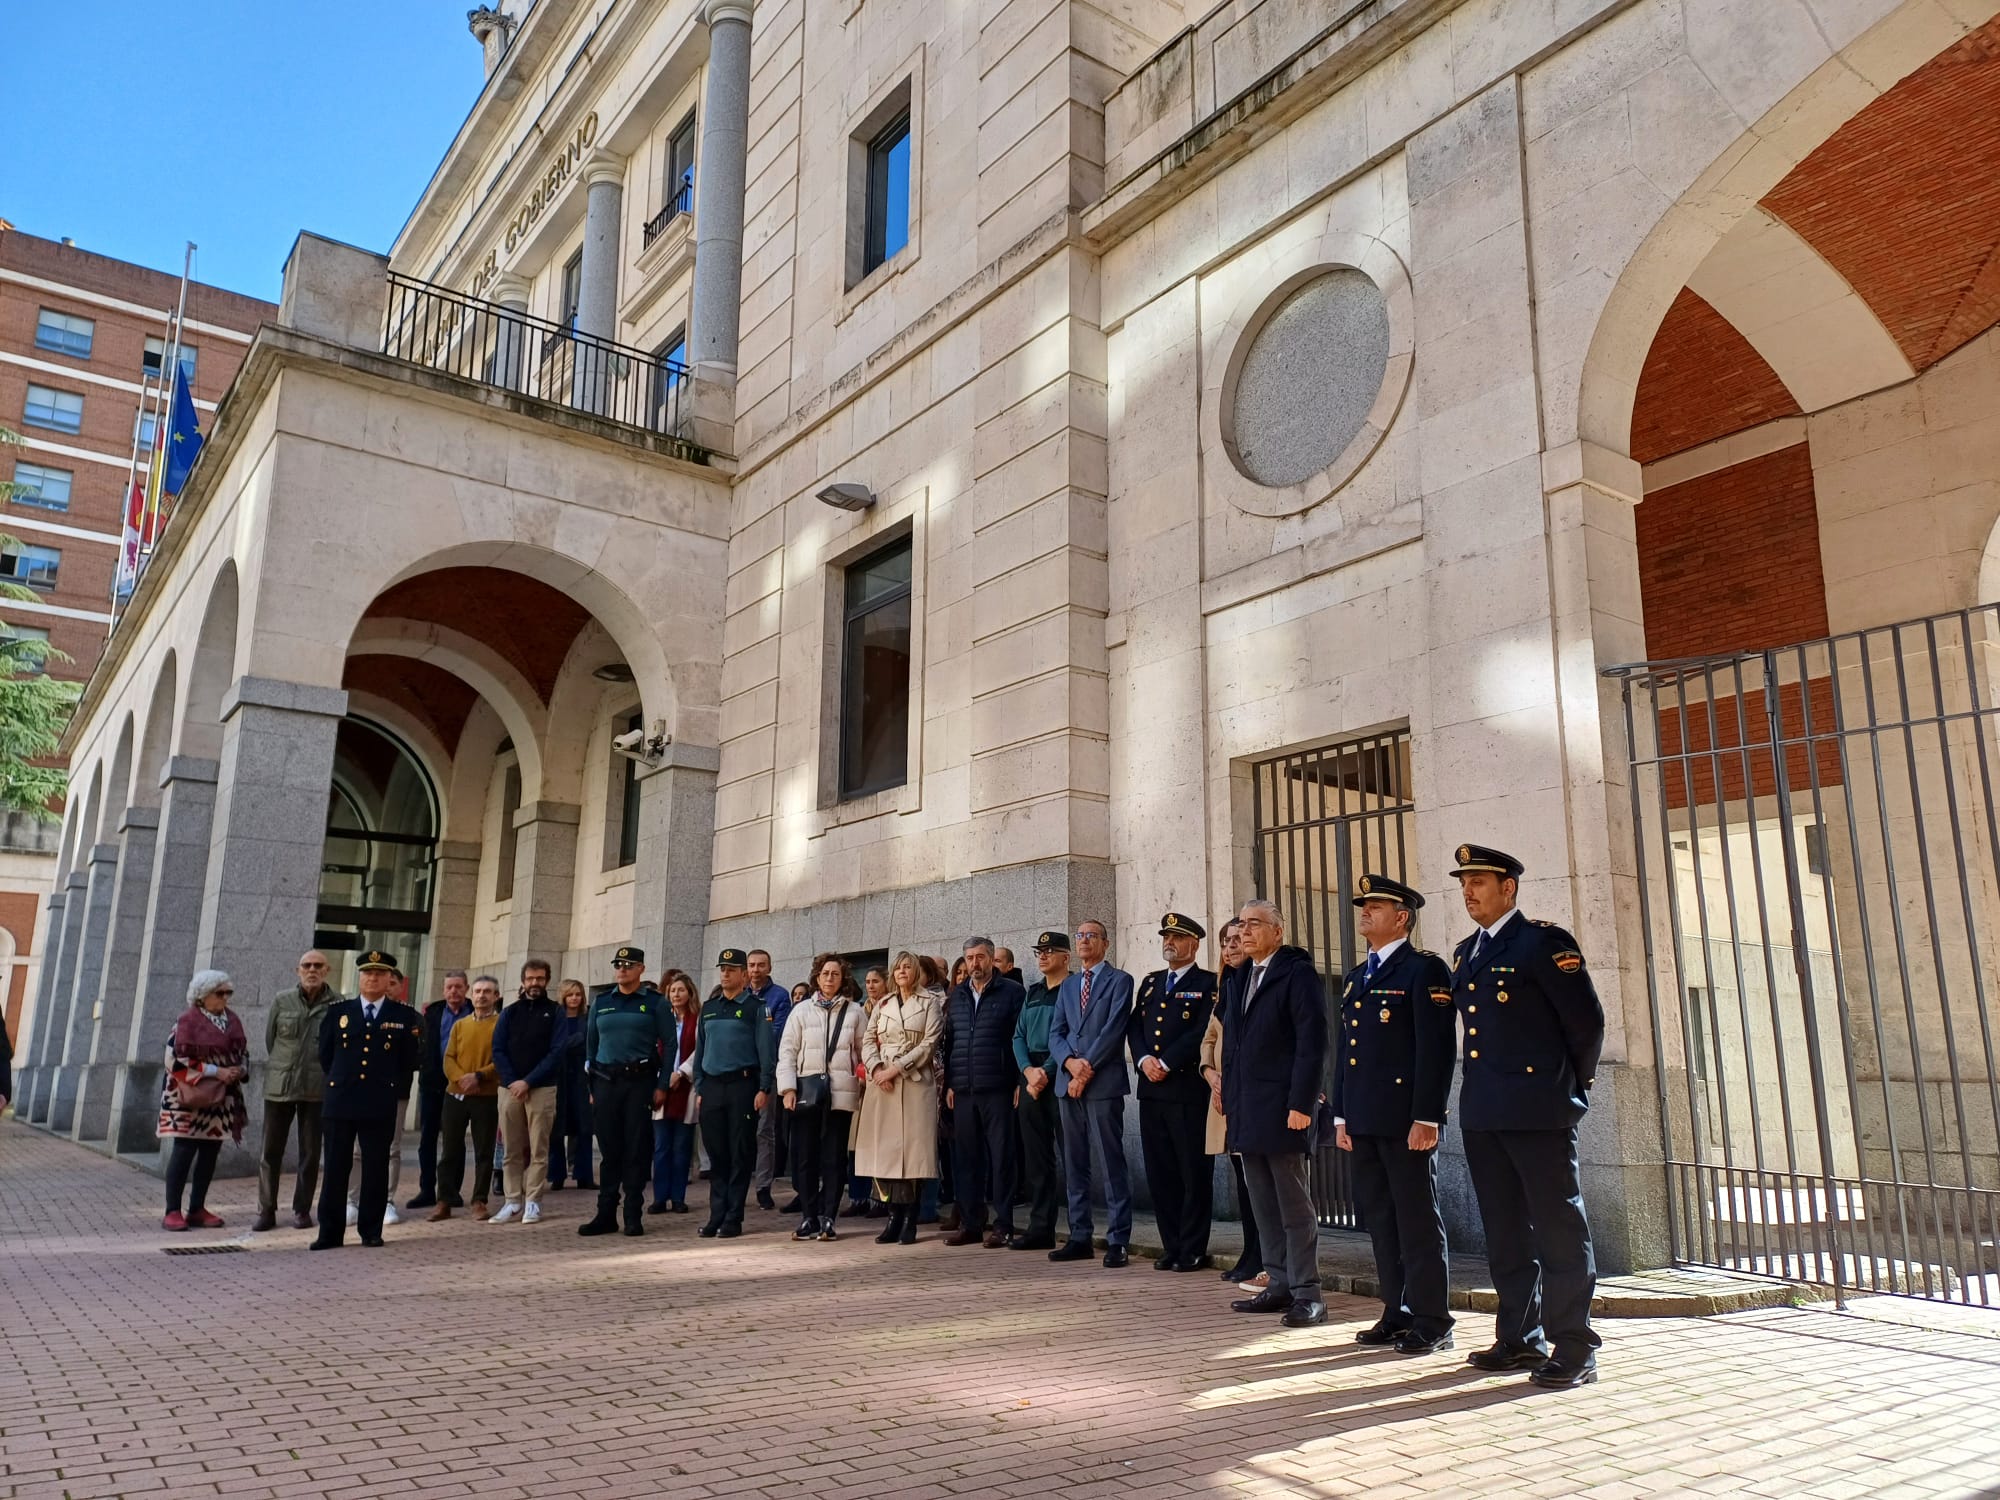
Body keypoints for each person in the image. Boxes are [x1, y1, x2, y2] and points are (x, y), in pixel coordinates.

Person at [1448, 844, 1606, 1390]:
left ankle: (1574, 1345)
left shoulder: (1544, 942)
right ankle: (1518, 1337)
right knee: (1505, 1229)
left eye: (1479, 882)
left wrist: (1570, 1088)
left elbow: (1585, 1024)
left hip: (1539, 1110)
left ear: (1507, 888)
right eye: (1463, 883)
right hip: (1485, 1111)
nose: (1468, 891)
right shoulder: (1467, 950)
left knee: (1559, 1228)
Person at [1334, 874, 1458, 1355]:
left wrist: (1427, 1115)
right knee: (1382, 1220)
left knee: (1417, 1219)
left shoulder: (1422, 970)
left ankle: (1433, 1318)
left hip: (1405, 1120)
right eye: (1363, 905)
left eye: (1376, 906)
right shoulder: (1355, 976)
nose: (1364, 912)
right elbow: (1347, 1051)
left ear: (1402, 917)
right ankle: (1396, 1310)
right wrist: (1341, 1115)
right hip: (1364, 1118)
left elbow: (1436, 1048)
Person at [1223, 900, 1330, 1327]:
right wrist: (1231, 1102)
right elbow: (1232, 1047)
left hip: (1285, 1108)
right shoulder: (1239, 976)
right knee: (1263, 1202)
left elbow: (1312, 1043)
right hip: (1247, 1108)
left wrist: (1302, 1104)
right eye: (1240, 925)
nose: (1244, 932)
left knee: (1293, 1205)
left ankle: (1309, 1292)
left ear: (1277, 932)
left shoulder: (1297, 973)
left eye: (1254, 924)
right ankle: (1279, 1282)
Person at [311, 949, 422, 1250]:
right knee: (335, 1167)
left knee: (375, 1167)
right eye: (368, 973)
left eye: (380, 974)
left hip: (379, 1101)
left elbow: (409, 1059)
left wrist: (387, 1087)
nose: (373, 978)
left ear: (389, 980)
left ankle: (370, 1230)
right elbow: (326, 1055)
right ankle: (329, 1232)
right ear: (359, 977)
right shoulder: (338, 1012)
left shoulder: (403, 1016)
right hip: (341, 1099)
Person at [1131, 912, 1219, 1272]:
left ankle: (1193, 1247)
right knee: (1161, 1173)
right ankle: (1171, 1245)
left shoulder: (1208, 983)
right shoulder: (1151, 983)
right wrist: (1142, 1061)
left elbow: (1201, 1030)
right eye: (1166, 936)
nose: (1169, 942)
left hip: (1185, 1091)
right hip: (1151, 1092)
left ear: (1193, 944)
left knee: (1192, 1173)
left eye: (1177, 937)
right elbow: (1135, 1026)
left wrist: (1165, 1062)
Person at [1047, 918, 1136, 1267]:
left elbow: (1114, 1031)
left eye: (1091, 936)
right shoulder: (1069, 985)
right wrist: (1070, 1064)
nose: (1084, 941)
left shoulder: (1120, 981)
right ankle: (1079, 1234)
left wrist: (1085, 1069)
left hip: (1102, 1082)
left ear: (1105, 943)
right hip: (1068, 1083)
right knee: (1074, 1162)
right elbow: (1057, 1032)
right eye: (1080, 936)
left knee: (1111, 1162)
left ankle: (1118, 1239)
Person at [580, 945, 675, 1238]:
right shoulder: (602, 1001)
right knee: (609, 1151)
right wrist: (592, 1086)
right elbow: (591, 1047)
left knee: (636, 1149)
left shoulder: (655, 1003)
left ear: (641, 969)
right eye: (618, 965)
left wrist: (662, 1085)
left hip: (639, 1082)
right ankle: (605, 1214)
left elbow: (670, 1045)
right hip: (606, 1082)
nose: (622, 969)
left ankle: (633, 1214)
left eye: (629, 965)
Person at [855, 951, 945, 1245]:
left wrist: (896, 1068)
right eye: (899, 968)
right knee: (885, 1156)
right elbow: (868, 1039)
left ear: (918, 972)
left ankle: (911, 1218)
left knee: (913, 1157)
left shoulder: (930, 1002)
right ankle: (892, 1215)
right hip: (883, 1087)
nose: (903, 971)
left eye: (908, 967)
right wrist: (877, 1068)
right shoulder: (883, 1004)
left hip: (914, 1084)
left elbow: (930, 1042)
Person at [943, 936, 1026, 1247]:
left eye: (980, 957)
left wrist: (1018, 1081)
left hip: (999, 1088)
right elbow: (949, 1042)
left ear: (991, 960)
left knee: (1002, 1158)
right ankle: (971, 1224)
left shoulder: (1012, 993)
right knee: (966, 1159)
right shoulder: (958, 995)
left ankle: (1003, 1224)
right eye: (969, 958)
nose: (974, 964)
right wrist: (950, 1082)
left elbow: (1021, 1037)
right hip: (964, 1089)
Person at [778, 953, 866, 1240]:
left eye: (835, 974)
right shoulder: (801, 1011)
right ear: (817, 977)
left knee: (834, 1158)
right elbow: (788, 1052)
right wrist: (788, 1089)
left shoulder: (855, 1011)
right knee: (804, 1158)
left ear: (843, 979)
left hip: (840, 1094)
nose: (830, 978)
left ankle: (829, 1216)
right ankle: (808, 1217)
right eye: (825, 973)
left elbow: (863, 1051)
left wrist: (861, 1081)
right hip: (807, 1093)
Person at [691, 948, 776, 1238]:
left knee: (739, 1152)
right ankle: (716, 1214)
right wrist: (700, 1085)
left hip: (742, 1086)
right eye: (722, 969)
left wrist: (764, 1086)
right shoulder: (710, 1007)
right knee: (717, 1154)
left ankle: (733, 1217)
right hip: (713, 1087)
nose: (725, 974)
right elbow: (700, 1049)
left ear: (743, 975)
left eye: (731, 969)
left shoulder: (755, 1007)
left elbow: (766, 1051)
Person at [253, 951, 338, 1232]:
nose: (311, 970)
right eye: (306, 966)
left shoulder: (337, 1005)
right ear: (297, 970)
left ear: (327, 970)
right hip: (281, 1085)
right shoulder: (282, 1000)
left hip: (316, 1089)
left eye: (317, 966)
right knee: (270, 1152)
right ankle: (266, 1210)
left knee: (311, 1153)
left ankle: (301, 1209)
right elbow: (271, 1040)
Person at [158, 970, 249, 1231]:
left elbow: (243, 1053)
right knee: (184, 1151)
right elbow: (173, 1062)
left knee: (210, 1152)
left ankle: (197, 1207)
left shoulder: (232, 1021)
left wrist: (238, 1070)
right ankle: (172, 1210)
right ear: (201, 996)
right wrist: (215, 1071)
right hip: (187, 1098)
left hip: (221, 1098)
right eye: (219, 993)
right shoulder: (186, 1021)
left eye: (227, 993)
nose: (224, 998)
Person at [1202, 918, 1265, 1286]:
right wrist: (1210, 1073)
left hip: (1251, 1097)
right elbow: (1209, 1038)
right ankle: (1250, 1251)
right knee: (1243, 1182)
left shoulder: (1256, 984)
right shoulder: (1225, 989)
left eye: (1238, 940)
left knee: (1258, 1184)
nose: (1232, 947)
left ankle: (1262, 1255)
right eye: (1226, 941)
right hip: (1224, 1095)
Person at [491, 958, 564, 1224]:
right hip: (509, 1089)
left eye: (540, 979)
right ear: (523, 981)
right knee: (510, 1147)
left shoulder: (556, 1012)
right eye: (531, 979)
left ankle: (533, 1201)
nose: (535, 983)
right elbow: (497, 1049)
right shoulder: (509, 1013)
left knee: (538, 1148)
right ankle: (512, 1201)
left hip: (542, 1088)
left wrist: (528, 1081)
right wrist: (513, 1081)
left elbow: (557, 1052)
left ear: (547, 981)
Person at [1009, 930, 1069, 1251]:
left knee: (1072, 1158)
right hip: (1031, 1078)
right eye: (1039, 951)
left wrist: (1043, 1072)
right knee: (1036, 1160)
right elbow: (1018, 1036)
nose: (1043, 956)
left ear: (1065, 957)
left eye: (1050, 951)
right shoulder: (1031, 992)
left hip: (1057, 1076)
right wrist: (1028, 1072)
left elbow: (1071, 1036)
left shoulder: (1072, 990)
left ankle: (1078, 1229)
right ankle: (1040, 1227)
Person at [432, 975, 502, 1222]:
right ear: (472, 994)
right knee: (449, 1149)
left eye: (488, 992)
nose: (482, 995)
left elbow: (502, 1060)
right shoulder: (460, 1025)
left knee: (484, 1151)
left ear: (496, 996)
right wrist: (461, 1079)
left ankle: (479, 1201)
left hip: (486, 1095)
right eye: (479, 991)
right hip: (456, 1094)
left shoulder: (501, 1025)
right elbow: (448, 1058)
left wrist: (479, 1076)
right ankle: (444, 1201)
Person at [407, 969, 469, 1211]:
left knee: (455, 1140)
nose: (453, 991)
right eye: (449, 987)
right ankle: (426, 1189)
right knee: (428, 1138)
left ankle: (451, 1190)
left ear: (466, 988)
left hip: (462, 1085)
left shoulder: (474, 1012)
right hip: (433, 1083)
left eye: (458, 986)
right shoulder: (431, 1013)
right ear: (443, 990)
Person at [747, 949, 793, 1212]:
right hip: (741, 1072)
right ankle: (739, 1183)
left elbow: (777, 1032)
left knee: (765, 1130)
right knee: (740, 1130)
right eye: (751, 965)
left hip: (767, 1071)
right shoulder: (739, 994)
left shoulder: (779, 996)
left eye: (761, 965)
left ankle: (763, 1186)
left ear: (769, 966)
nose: (755, 970)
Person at [650, 971, 700, 1214]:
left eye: (681, 990)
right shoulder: (660, 1018)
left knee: (682, 1147)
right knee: (661, 1147)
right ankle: (660, 1197)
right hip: (662, 1087)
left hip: (686, 1087)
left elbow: (700, 1049)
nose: (676, 994)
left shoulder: (697, 1019)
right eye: (672, 990)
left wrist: (681, 1073)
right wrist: (664, 1076)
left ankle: (678, 1197)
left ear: (689, 993)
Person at [548, 979, 595, 1191]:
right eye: (570, 994)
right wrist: (575, 1041)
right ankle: (556, 1174)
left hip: (582, 1077)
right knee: (556, 1128)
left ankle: (584, 1175)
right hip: (559, 1077)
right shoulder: (555, 1020)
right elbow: (555, 1047)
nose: (574, 998)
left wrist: (571, 1042)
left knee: (585, 1126)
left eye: (578, 994)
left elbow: (591, 1042)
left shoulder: (588, 1018)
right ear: (563, 997)